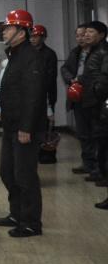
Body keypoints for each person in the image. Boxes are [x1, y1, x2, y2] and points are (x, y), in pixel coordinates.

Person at [0, 9, 46, 238]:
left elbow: (33, 95)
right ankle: (16, 214)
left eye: (8, 28)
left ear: (22, 32)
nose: (4, 31)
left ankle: (31, 222)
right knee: (7, 172)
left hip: (24, 128)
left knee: (25, 176)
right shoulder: (14, 54)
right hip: (10, 124)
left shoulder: (31, 56)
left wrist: (26, 127)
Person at [76, 22, 108, 183]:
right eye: (86, 32)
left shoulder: (103, 51)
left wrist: (96, 93)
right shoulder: (92, 50)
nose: (86, 35)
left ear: (101, 35)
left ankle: (103, 174)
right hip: (91, 101)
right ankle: (99, 172)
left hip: (98, 103)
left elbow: (103, 78)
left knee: (101, 141)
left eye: (91, 32)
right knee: (95, 138)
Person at [62, 25, 91, 176]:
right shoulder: (75, 52)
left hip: (92, 97)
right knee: (83, 133)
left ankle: (98, 166)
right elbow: (64, 68)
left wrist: (81, 79)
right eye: (77, 36)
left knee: (95, 133)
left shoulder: (97, 52)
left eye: (83, 35)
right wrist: (71, 79)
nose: (80, 38)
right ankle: (87, 163)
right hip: (77, 97)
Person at [30, 25, 60, 164]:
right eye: (31, 36)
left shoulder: (49, 54)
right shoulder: (28, 53)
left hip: (47, 93)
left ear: (43, 38)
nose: (33, 39)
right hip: (31, 95)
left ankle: (48, 153)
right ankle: (35, 152)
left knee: (47, 124)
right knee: (33, 125)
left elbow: (50, 77)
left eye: (36, 36)